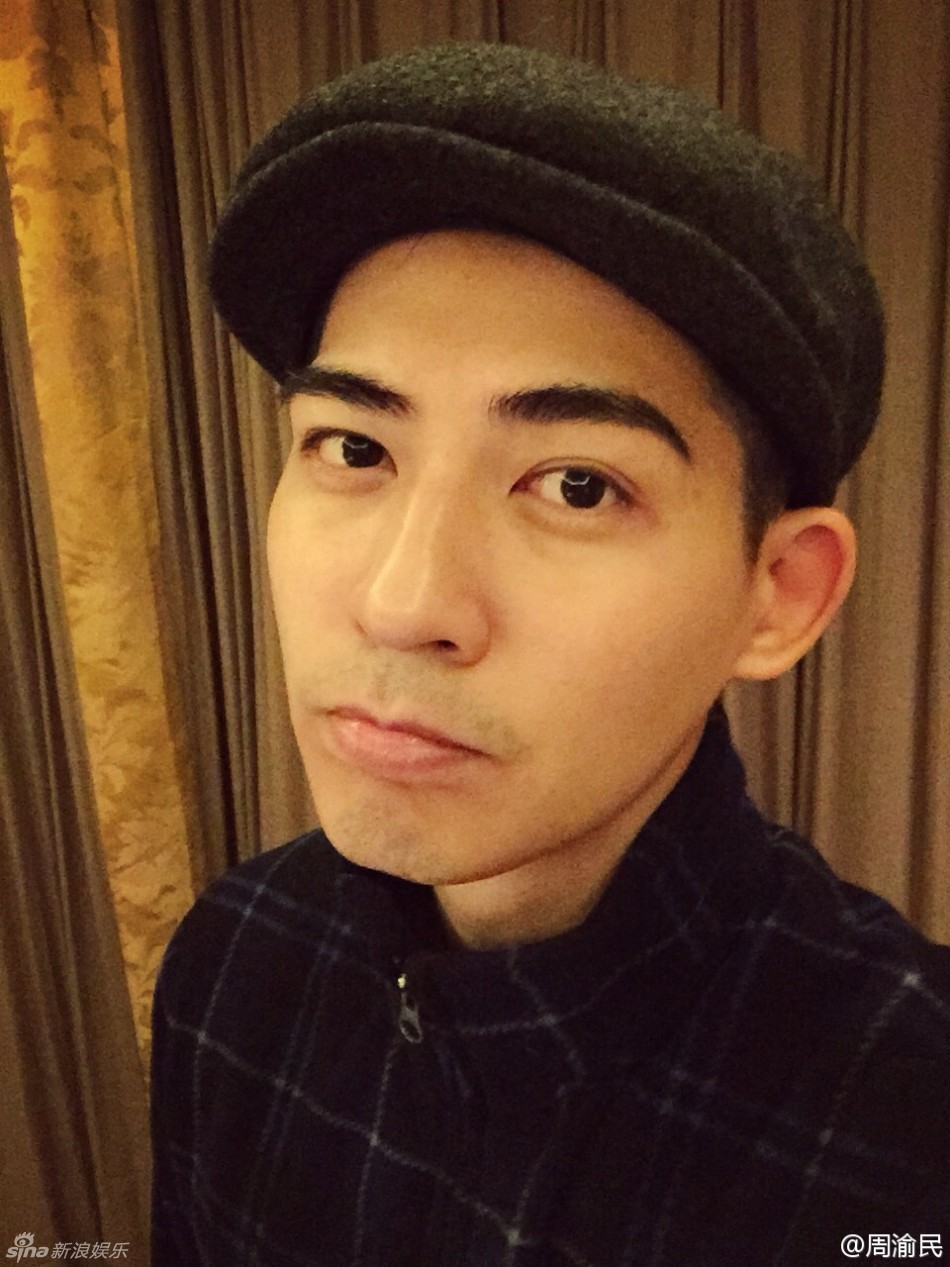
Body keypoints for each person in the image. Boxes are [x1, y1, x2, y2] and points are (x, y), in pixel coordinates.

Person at [151, 42, 950, 1266]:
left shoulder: (907, 1130)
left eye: (576, 484)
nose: (401, 602)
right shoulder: (235, 960)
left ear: (777, 595)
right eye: (354, 448)